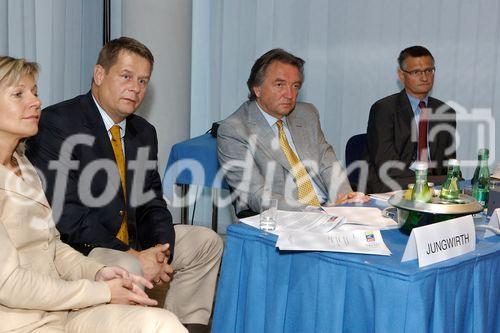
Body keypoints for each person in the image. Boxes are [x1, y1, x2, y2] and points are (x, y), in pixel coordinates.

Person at [26, 37, 222, 331]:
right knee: (128, 266)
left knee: (206, 242)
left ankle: (184, 325)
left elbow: (151, 200)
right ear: (100, 74)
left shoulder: (143, 132)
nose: (136, 88)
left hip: (135, 241)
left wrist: (160, 249)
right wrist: (133, 255)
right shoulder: (59, 123)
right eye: (126, 76)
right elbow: (65, 213)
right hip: (82, 247)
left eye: (143, 81)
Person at [0, 55, 187, 332]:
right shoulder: (58, 128)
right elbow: (8, 284)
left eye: (35, 92)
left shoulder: (22, 164)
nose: (36, 101)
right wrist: (102, 291)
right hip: (20, 320)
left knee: (163, 324)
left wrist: (98, 272)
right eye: (19, 94)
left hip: (62, 309)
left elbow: (52, 247)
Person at [217, 48, 367, 215]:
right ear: (257, 89)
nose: (290, 94)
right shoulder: (234, 130)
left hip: (328, 209)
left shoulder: (307, 114)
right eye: (279, 84)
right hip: (280, 218)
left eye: (295, 86)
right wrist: (317, 211)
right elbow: (256, 195)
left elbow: (328, 163)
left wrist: (345, 199)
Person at [366, 45, 456, 193]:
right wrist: (426, 181)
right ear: (401, 75)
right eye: (416, 72)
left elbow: (448, 164)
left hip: (434, 188)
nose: (424, 77)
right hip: (393, 186)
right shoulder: (383, 109)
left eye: (429, 70)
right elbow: (387, 166)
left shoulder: (445, 112)